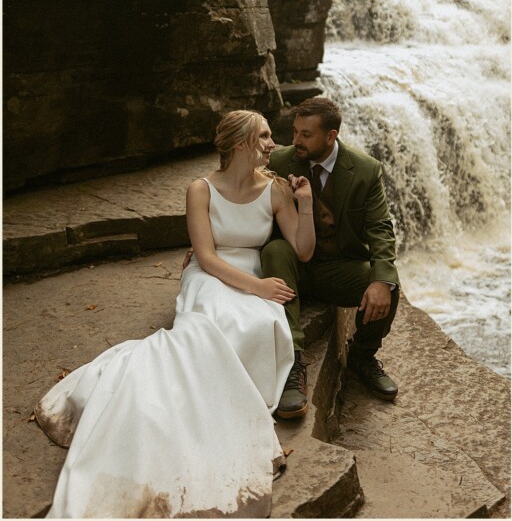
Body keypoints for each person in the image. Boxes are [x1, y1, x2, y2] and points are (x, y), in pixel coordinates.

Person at [34, 110, 315, 517]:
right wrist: (258, 288)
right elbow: (204, 256)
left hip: (252, 270)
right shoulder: (200, 190)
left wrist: (303, 204)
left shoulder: (275, 191)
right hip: (211, 276)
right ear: (240, 143)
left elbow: (303, 250)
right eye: (265, 136)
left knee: (261, 323)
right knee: (220, 325)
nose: (274, 145)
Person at [262, 96, 400, 418]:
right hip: (291, 265)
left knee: (387, 286)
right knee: (275, 249)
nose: (296, 140)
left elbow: (380, 228)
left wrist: (381, 279)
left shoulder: (365, 170)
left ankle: (361, 359)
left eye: (305, 135)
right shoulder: (280, 162)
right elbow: (239, 192)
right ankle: (293, 365)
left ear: (331, 136)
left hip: (338, 268)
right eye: (294, 131)